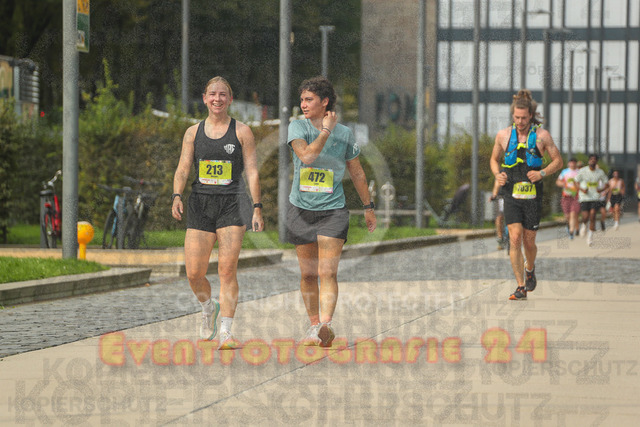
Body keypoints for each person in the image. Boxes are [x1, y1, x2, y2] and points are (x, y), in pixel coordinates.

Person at [171, 76, 264, 349]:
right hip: (200, 204)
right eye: (212, 94)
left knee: (227, 269)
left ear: (230, 99)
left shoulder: (242, 132)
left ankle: (226, 331)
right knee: (193, 273)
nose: (217, 99)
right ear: (204, 98)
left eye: (223, 94)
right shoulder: (192, 132)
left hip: (233, 205)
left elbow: (252, 172)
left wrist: (257, 207)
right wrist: (176, 195)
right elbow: (183, 168)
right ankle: (208, 307)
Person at [286, 76, 376, 347]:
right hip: (301, 208)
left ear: (324, 102)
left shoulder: (345, 134)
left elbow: (357, 172)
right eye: (302, 100)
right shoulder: (297, 127)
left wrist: (368, 207)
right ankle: (314, 325)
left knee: (328, 272)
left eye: (309, 99)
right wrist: (325, 131)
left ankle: (325, 325)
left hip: (333, 210)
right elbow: (307, 157)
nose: (303, 104)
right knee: (308, 274)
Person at [490, 89, 563, 300]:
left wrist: (542, 173)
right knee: (514, 238)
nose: (520, 122)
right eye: (517, 117)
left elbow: (558, 161)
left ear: (530, 115)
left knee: (529, 242)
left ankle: (530, 268)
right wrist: (498, 175)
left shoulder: (542, 136)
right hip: (511, 193)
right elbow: (494, 159)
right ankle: (520, 286)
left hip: (533, 196)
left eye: (524, 118)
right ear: (513, 115)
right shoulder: (503, 135)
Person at [574, 154, 609, 247]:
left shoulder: (600, 172)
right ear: (588, 161)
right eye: (591, 159)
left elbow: (607, 183)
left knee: (593, 215)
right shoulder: (582, 171)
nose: (592, 161)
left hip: (595, 197)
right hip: (584, 197)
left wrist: (601, 190)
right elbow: (576, 182)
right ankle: (584, 225)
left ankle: (590, 237)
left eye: (594, 159)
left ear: (596, 161)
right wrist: (582, 189)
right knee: (585, 216)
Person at [556, 158, 580, 239]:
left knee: (573, 214)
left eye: (574, 163)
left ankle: (571, 231)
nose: (572, 164)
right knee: (567, 216)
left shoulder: (579, 172)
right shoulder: (564, 172)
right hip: (566, 196)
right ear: (569, 163)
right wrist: (563, 184)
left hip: (576, 196)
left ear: (576, 163)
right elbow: (558, 182)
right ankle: (569, 226)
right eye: (571, 163)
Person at [489, 179, 506, 250]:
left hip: (512, 196)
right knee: (499, 217)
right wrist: (494, 195)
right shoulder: (500, 174)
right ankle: (500, 238)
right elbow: (497, 183)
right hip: (500, 197)